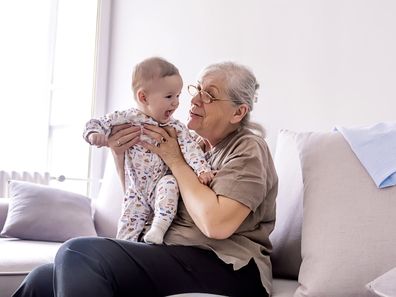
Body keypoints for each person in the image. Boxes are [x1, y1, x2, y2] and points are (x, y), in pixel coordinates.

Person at [13, 61, 278, 297]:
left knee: (79, 252)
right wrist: (119, 153)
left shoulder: (248, 148)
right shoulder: (193, 144)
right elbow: (143, 194)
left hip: (228, 266)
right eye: (196, 89)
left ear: (238, 112)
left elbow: (216, 225)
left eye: (209, 95)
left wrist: (175, 159)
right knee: (42, 279)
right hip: (173, 252)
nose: (195, 99)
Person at [83, 57, 213, 244]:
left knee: (170, 184)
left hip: (160, 183)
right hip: (136, 189)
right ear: (143, 97)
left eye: (178, 96)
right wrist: (94, 134)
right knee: (127, 225)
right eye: (169, 97)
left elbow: (191, 149)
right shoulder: (127, 118)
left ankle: (158, 228)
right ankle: (123, 250)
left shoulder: (175, 127)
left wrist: (202, 169)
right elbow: (96, 123)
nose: (176, 103)